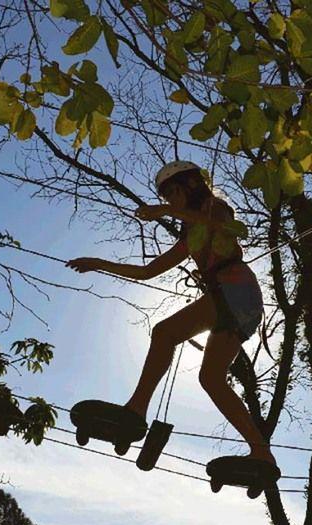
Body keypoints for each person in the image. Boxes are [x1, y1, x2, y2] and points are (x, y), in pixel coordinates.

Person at [67, 161, 275, 467]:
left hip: (235, 290)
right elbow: (147, 272)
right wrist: (100, 264)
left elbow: (221, 225)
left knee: (165, 333)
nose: (169, 202)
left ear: (190, 186)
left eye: (171, 194)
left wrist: (164, 213)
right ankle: (262, 453)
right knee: (212, 379)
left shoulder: (214, 207)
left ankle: (137, 409)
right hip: (237, 300)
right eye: (166, 199)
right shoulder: (191, 234)